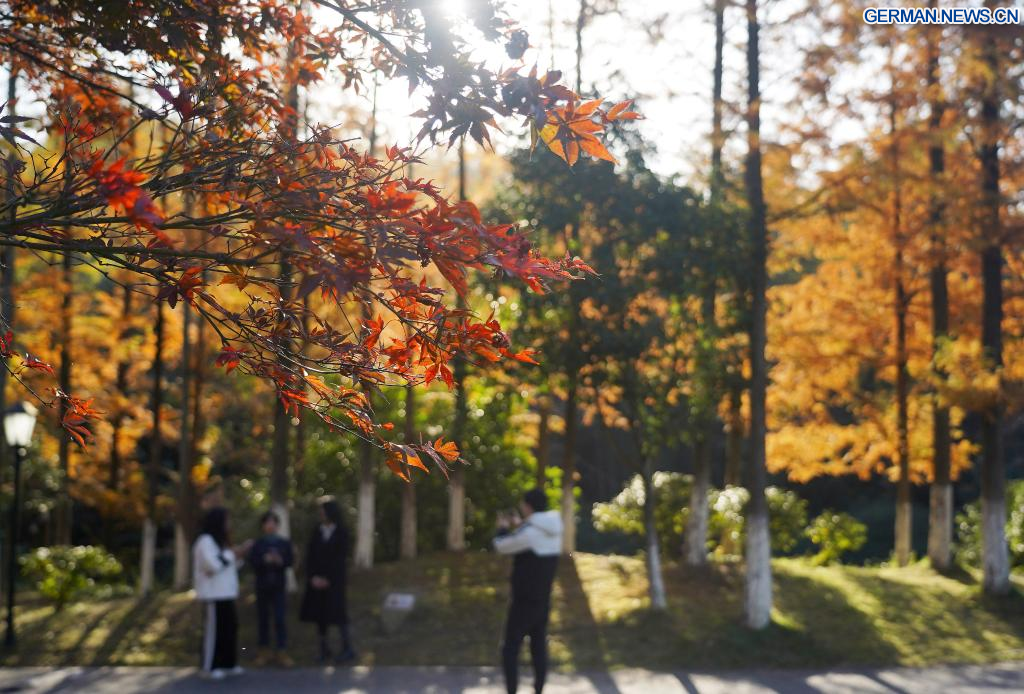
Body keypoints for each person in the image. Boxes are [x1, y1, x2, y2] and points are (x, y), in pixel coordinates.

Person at [493, 488, 563, 694]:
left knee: (510, 649)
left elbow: (501, 546)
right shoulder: (554, 528)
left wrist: (503, 528)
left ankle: (512, 690)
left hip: (523, 601)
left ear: (528, 506)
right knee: (538, 647)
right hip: (543, 599)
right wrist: (521, 525)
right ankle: (538, 689)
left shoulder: (530, 533)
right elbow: (533, 533)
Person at [193, 507, 252, 680]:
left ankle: (228, 664)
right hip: (213, 595)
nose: (229, 524)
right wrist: (231, 554)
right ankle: (209, 667)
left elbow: (228, 564)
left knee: (230, 629)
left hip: (226, 593)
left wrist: (239, 555)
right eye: (226, 520)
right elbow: (213, 566)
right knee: (214, 632)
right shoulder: (205, 541)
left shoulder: (221, 542)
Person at [299, 496, 356, 664]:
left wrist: (329, 579)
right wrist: (313, 577)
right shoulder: (317, 531)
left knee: (339, 614)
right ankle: (324, 650)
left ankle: (347, 648)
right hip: (317, 580)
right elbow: (310, 557)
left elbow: (340, 559)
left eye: (323, 511)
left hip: (335, 582)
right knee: (320, 615)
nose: (321, 514)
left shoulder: (341, 532)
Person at [248, 510, 295, 665]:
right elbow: (253, 563)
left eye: (273, 522)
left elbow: (290, 561)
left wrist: (280, 561)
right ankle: (264, 651)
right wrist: (264, 560)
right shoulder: (258, 544)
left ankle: (282, 651)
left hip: (279, 586)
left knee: (280, 618)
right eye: (267, 522)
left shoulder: (284, 543)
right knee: (263, 619)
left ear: (277, 525)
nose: (270, 526)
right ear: (263, 526)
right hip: (262, 586)